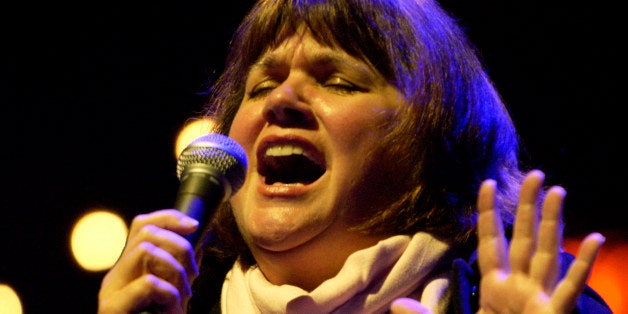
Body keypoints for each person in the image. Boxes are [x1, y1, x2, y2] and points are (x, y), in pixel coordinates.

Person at [97, 0, 612, 313]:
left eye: (338, 82)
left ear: (433, 141)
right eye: (260, 87)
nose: (280, 100)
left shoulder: (527, 300)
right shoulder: (172, 304)